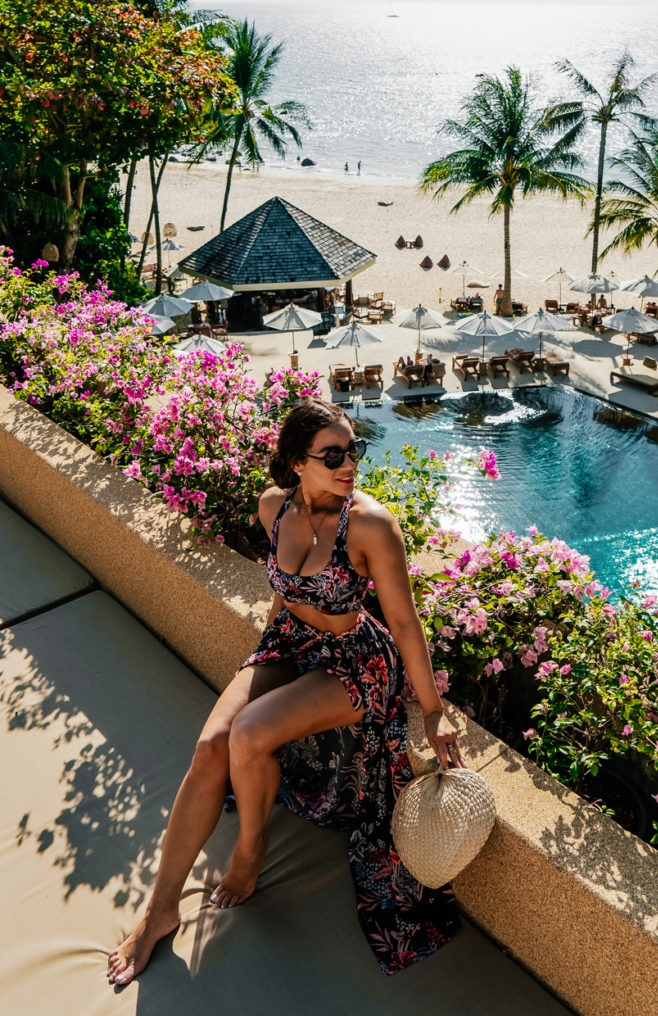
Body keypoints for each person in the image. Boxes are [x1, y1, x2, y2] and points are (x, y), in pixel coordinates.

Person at [107, 400, 463, 985]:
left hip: (354, 663)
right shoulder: (272, 506)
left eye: (353, 451)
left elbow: (404, 624)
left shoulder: (370, 524)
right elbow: (281, 588)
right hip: (289, 643)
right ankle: (159, 909)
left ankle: (250, 852)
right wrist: (265, 651)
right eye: (333, 455)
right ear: (297, 463)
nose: (349, 465)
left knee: (247, 734)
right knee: (209, 748)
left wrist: (432, 712)